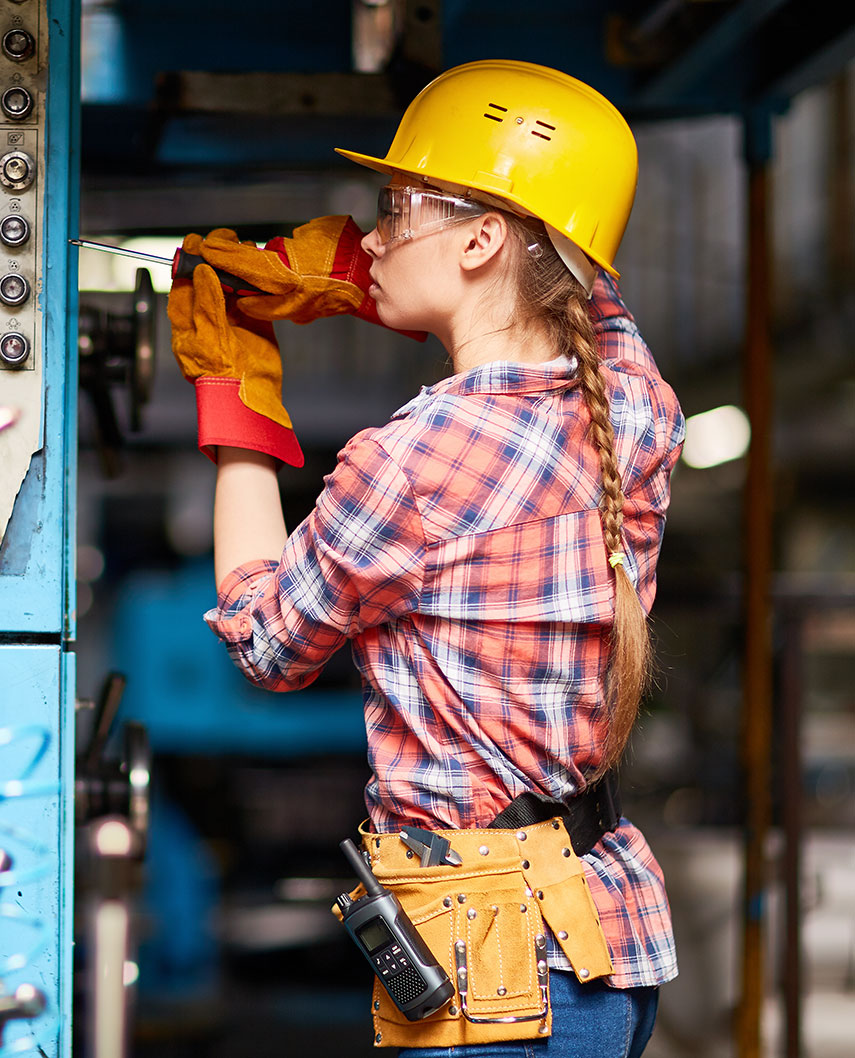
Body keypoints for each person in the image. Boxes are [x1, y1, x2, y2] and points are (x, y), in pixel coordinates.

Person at [168, 60, 684, 1058]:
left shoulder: (411, 459)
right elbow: (582, 296)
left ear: (485, 237)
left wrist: (235, 388)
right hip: (602, 937)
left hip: (489, 967)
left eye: (395, 208)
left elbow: (270, 643)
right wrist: (372, 272)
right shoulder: (632, 401)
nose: (369, 236)